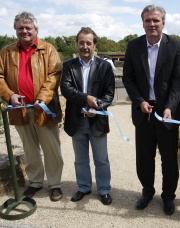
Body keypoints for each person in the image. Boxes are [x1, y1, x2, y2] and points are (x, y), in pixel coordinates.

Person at [0, 11, 64, 201]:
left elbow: (54, 75)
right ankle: (36, 182)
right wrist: (10, 95)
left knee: (51, 148)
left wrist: (43, 97)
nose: (24, 31)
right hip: (20, 110)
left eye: (28, 28)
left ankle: (55, 184)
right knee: (30, 149)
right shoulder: (6, 52)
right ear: (15, 29)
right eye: (20, 28)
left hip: (44, 109)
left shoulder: (48, 49)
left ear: (35, 30)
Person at [122, 4, 180, 215]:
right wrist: (139, 100)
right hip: (143, 111)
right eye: (148, 20)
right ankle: (147, 192)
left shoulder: (176, 46)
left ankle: (168, 196)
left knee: (169, 158)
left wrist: (170, 106)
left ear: (163, 23)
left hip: (168, 112)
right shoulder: (134, 46)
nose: (152, 24)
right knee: (144, 157)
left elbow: (179, 81)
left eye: (155, 20)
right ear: (142, 23)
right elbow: (128, 79)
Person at [60, 27, 115, 205]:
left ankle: (104, 190)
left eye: (88, 43)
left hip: (97, 119)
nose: (85, 46)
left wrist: (98, 106)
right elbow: (66, 89)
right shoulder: (69, 65)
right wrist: (87, 99)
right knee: (80, 159)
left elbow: (109, 94)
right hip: (76, 121)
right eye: (81, 42)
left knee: (101, 159)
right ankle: (83, 187)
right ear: (77, 44)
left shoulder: (105, 66)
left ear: (94, 45)